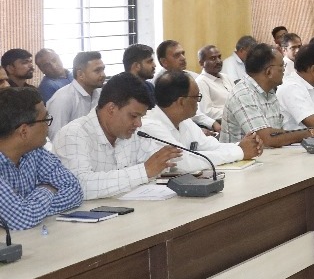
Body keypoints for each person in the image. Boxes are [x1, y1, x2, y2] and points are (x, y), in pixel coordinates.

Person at [52, 72, 182, 200]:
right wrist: (143, 171)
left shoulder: (134, 133)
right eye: (133, 116)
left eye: (141, 117)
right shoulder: (73, 134)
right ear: (111, 109)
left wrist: (160, 163)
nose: (138, 124)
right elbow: (80, 186)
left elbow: (155, 166)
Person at [142, 71, 262, 174]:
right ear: (181, 101)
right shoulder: (150, 126)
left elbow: (210, 146)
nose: (198, 102)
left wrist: (244, 145)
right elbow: (184, 163)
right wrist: (240, 152)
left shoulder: (184, 121)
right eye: (196, 97)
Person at [220, 43, 314, 148]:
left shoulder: (270, 92)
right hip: (239, 161)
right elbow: (266, 139)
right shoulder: (243, 94)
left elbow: (276, 132)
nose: (284, 70)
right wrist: (311, 133)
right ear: (269, 72)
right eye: (281, 66)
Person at [0, 88, 82, 230]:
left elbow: (74, 190)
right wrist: (47, 189)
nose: (48, 126)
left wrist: (30, 207)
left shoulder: (34, 152)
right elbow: (21, 219)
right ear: (24, 131)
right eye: (45, 119)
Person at [155, 40, 219, 133]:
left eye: (183, 53)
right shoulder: (160, 84)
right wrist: (209, 124)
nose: (183, 58)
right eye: (177, 55)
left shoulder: (193, 76)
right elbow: (183, 109)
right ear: (164, 62)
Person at [47, 51, 107, 138]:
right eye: (97, 71)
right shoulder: (62, 99)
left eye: (103, 69)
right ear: (80, 74)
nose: (103, 75)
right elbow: (56, 137)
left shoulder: (101, 94)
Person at [195, 45, 236, 121]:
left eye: (219, 57)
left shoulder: (226, 77)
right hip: (222, 122)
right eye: (213, 58)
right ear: (201, 63)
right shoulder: (201, 82)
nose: (218, 61)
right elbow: (207, 112)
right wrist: (235, 113)